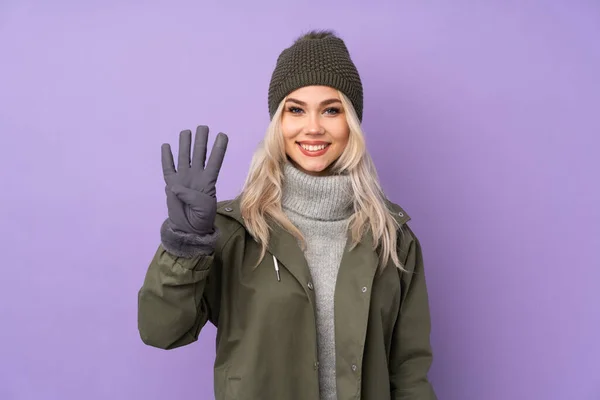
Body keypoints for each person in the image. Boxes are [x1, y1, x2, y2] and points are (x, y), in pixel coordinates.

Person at [138, 30, 437, 400]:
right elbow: (160, 330)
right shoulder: (236, 233)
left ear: (352, 123)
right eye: (295, 109)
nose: (313, 127)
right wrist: (184, 248)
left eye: (331, 109)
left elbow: (409, 373)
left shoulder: (393, 240)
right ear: (278, 122)